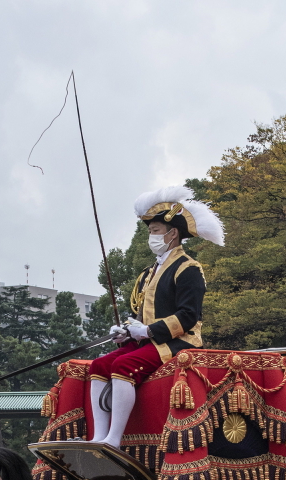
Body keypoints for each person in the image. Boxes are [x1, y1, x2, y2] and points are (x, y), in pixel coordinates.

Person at [87, 185, 224, 447]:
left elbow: (188, 317)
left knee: (122, 367)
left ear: (172, 233)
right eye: (150, 232)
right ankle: (98, 437)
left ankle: (114, 439)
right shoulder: (149, 272)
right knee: (99, 366)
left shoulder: (189, 269)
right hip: (146, 340)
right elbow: (141, 313)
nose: (151, 236)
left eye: (155, 231)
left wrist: (149, 331)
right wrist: (127, 330)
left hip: (178, 342)